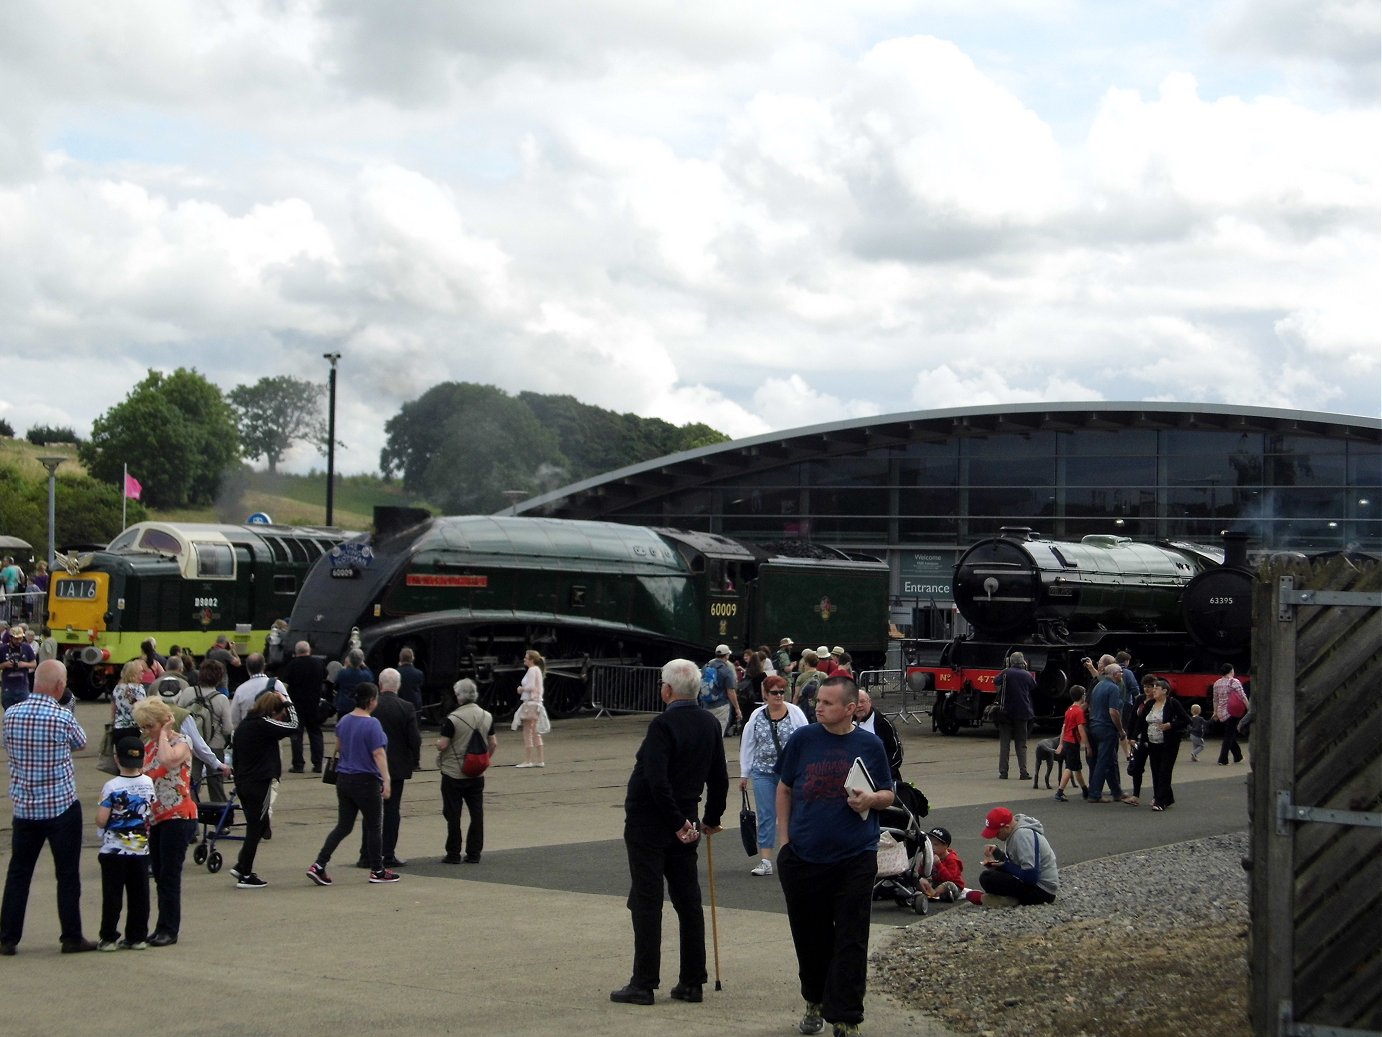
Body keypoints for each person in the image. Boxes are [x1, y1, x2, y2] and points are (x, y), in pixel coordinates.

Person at [775, 675, 895, 1037]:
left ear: (850, 708)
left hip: (854, 857)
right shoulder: (803, 739)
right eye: (818, 702)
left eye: (827, 703)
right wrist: (783, 843)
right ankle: (814, 999)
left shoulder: (869, 745)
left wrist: (870, 800)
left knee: (851, 938)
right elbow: (784, 789)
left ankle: (846, 1017)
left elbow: (888, 794)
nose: (818, 707)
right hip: (803, 857)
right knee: (810, 937)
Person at [610, 658, 729, 1007]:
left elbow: (655, 779)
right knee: (688, 901)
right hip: (687, 823)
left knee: (647, 902)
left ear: (667, 690)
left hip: (653, 824)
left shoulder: (663, 725)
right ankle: (692, 981)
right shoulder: (709, 724)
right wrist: (709, 818)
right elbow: (719, 777)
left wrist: (677, 822)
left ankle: (644, 982)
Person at [1, 658, 97, 955]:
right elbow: (80, 743)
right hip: (60, 806)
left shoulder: (11, 715)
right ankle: (71, 936)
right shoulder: (61, 716)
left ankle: (7, 937)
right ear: (60, 686)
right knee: (67, 873)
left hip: (25, 806)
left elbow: (7, 745)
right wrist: (67, 708)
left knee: (19, 872)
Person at [306, 682, 398, 886]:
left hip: (344, 779)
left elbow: (338, 746)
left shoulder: (345, 720)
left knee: (343, 826)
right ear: (371, 700)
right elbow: (378, 753)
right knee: (374, 826)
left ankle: (319, 864)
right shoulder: (372, 724)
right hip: (366, 780)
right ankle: (377, 869)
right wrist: (387, 779)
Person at [133, 697, 197, 947]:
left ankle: (169, 929)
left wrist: (166, 732)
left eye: (150, 726)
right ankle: (161, 926)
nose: (146, 731)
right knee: (159, 874)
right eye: (143, 727)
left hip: (178, 816)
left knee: (169, 876)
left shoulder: (181, 743)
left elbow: (169, 760)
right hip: (155, 818)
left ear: (163, 721)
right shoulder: (148, 745)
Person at [739, 674, 809, 877]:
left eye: (781, 692)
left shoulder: (795, 713)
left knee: (795, 813)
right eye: (774, 692)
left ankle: (795, 854)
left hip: (790, 773)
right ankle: (766, 860)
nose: (778, 696)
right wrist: (744, 774)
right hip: (763, 772)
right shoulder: (756, 716)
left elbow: (805, 739)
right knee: (766, 814)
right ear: (765, 694)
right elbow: (748, 744)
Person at [230, 690, 298, 888]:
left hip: (244, 781)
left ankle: (242, 864)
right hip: (260, 782)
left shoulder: (244, 725)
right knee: (256, 828)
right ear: (273, 712)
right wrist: (288, 704)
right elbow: (294, 726)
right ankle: (246, 873)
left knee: (258, 823)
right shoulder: (263, 724)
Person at [94, 737, 154, 949]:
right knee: (139, 895)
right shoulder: (148, 783)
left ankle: (109, 937)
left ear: (117, 758)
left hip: (114, 849)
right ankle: (137, 936)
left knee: (112, 895)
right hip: (140, 849)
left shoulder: (111, 786)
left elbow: (102, 819)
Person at [357, 668, 420, 868]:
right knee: (392, 811)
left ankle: (366, 854)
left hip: (369, 766)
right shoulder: (406, 707)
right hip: (397, 768)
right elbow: (415, 740)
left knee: (370, 812)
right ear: (398, 685)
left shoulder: (371, 707)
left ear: (380, 684)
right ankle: (388, 853)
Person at [436, 678, 496, 864]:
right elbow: (493, 743)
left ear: (459, 696)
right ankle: (474, 853)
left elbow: (443, 744)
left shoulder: (453, 719)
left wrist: (438, 744)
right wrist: (485, 759)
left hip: (454, 773)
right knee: (477, 814)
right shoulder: (487, 716)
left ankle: (453, 853)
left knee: (453, 815)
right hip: (477, 773)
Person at [973, 807, 1059, 907]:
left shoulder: (1022, 835)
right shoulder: (1015, 832)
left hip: (1042, 891)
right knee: (990, 875)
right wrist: (997, 853)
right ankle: (1007, 898)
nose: (995, 836)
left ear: (1007, 827)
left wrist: (1004, 866)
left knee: (988, 878)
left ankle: (1012, 900)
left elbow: (1030, 877)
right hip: (1036, 885)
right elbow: (1017, 863)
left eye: (997, 833)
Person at [174, 660, 233, 802]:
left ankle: (192, 810)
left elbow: (178, 715)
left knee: (191, 781)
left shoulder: (188, 692)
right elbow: (227, 728)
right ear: (219, 678)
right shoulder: (221, 699)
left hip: (190, 744)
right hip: (214, 744)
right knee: (215, 783)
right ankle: (219, 817)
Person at [1086, 661, 1137, 805]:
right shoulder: (1113, 688)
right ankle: (1095, 793)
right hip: (1106, 728)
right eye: (1121, 672)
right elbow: (1113, 712)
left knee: (1111, 760)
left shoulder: (1098, 686)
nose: (1122, 674)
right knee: (1103, 761)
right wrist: (1121, 730)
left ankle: (1117, 792)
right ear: (1115, 674)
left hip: (1094, 726)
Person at [279, 640, 327, 773]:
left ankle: (298, 764)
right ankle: (317, 764)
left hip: (296, 705)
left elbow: (285, 685)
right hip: (314, 704)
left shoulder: (292, 665)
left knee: (296, 734)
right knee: (315, 733)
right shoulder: (318, 663)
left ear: (296, 652)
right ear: (309, 650)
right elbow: (325, 677)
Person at [1142, 677, 1190, 811]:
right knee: (1156, 770)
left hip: (1169, 743)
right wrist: (1135, 736)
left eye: (1156, 688)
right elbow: (1141, 721)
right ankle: (1166, 797)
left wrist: (1171, 725)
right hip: (1153, 742)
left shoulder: (1172, 703)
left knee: (1164, 771)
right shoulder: (1150, 703)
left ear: (1164, 690)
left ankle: (1160, 801)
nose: (1153, 691)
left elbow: (1186, 719)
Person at [995, 652, 1036, 781]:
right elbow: (1033, 686)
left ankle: (1003, 772)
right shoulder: (1027, 674)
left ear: (1011, 662)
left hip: (1005, 712)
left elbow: (995, 681)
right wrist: (1026, 669)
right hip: (1023, 712)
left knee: (1005, 744)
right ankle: (1023, 772)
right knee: (1021, 743)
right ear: (1023, 662)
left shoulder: (1006, 672)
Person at [854, 689, 903, 782]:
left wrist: (884, 773)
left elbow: (896, 753)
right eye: (856, 702)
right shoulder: (847, 723)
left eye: (862, 701)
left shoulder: (884, 723)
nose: (859, 705)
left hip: (882, 777)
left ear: (870, 702)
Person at [229, 653, 286, 729]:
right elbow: (287, 707)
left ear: (247, 668)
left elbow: (234, 718)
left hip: (248, 732)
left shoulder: (240, 690)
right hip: (271, 732)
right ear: (264, 666)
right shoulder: (277, 684)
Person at [1054, 686, 1091, 802]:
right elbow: (1081, 729)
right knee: (1070, 767)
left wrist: (1060, 744)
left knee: (1077, 767)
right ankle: (1060, 791)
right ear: (1082, 696)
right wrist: (1087, 745)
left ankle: (1085, 790)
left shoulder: (1069, 710)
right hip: (1073, 742)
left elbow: (1064, 727)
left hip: (1066, 741)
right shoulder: (1079, 712)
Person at [515, 649, 549, 768]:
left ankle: (528, 760)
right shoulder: (537, 670)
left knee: (527, 731)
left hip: (530, 703)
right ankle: (540, 760)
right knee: (535, 732)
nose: (524, 659)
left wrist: (520, 689)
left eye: (526, 657)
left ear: (531, 660)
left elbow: (530, 686)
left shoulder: (531, 670)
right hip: (537, 703)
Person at [698, 644, 739, 736]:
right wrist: (737, 708)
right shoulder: (726, 670)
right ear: (727, 656)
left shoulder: (706, 667)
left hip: (706, 705)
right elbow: (730, 691)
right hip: (721, 705)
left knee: (706, 733)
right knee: (718, 734)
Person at [917, 826, 966, 902]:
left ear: (945, 846)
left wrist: (939, 864)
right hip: (937, 882)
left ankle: (933, 894)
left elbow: (950, 878)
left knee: (948, 885)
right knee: (921, 880)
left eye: (936, 844)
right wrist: (923, 864)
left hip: (954, 886)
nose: (932, 847)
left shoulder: (952, 859)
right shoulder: (932, 856)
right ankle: (933, 893)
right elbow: (923, 874)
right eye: (931, 844)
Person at [1213, 664, 1247, 766]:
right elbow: (1242, 696)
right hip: (1232, 711)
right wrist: (1249, 708)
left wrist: (1215, 712)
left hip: (1221, 713)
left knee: (1230, 734)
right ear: (1231, 671)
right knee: (1228, 736)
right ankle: (1222, 759)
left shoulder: (1217, 683)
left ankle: (1238, 756)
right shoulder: (1234, 681)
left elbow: (1215, 699)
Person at [1, 622, 38, 709]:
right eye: (16, 639)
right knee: (9, 715)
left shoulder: (26, 648)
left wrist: (24, 664)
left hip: (23, 688)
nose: (18, 641)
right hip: (8, 689)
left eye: (20, 638)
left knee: (23, 714)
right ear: (10, 638)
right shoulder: (3, 649)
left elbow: (34, 664)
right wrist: (4, 664)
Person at [109, 659, 147, 743]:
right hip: (134, 728)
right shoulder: (138, 689)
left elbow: (113, 709)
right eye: (141, 671)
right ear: (134, 673)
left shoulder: (117, 688)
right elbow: (143, 709)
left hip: (118, 728)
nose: (143, 673)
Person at [333, 648, 374, 720]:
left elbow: (336, 684)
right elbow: (371, 677)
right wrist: (364, 666)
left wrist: (345, 666)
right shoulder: (366, 675)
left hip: (344, 706)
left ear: (349, 659)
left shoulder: (343, 673)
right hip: (359, 706)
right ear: (362, 660)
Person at [792, 649, 822, 722]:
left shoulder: (801, 677)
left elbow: (796, 695)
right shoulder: (823, 675)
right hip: (820, 706)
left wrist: (793, 710)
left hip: (805, 707)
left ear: (807, 663)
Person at [396, 647, 425, 713]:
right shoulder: (419, 673)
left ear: (400, 658)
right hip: (415, 706)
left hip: (400, 705)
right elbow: (421, 685)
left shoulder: (396, 672)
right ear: (412, 658)